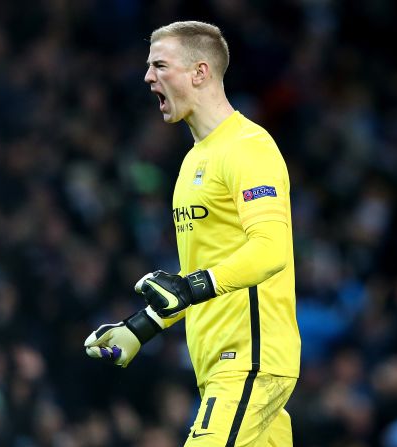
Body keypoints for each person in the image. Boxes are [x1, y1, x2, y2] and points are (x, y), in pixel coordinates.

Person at [84, 21, 301, 446]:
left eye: (160, 65)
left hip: (249, 362)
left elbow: (271, 248)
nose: (148, 77)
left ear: (200, 72)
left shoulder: (248, 147)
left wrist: (192, 286)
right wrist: (142, 326)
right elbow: (197, 276)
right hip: (216, 367)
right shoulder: (191, 164)